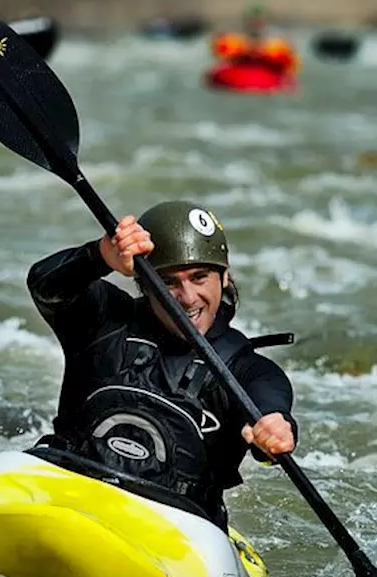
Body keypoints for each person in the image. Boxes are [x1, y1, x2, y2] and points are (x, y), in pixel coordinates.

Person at [25, 200, 298, 528]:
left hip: (173, 526)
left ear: (224, 277)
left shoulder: (247, 370)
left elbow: (270, 401)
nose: (187, 297)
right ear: (143, 281)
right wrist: (99, 255)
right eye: (168, 281)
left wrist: (275, 429)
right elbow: (45, 284)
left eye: (199, 277)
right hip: (70, 494)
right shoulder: (103, 323)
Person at [210, 4, 300, 76]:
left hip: (268, 72)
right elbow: (219, 53)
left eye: (259, 20)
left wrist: (262, 51)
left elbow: (290, 60)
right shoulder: (235, 38)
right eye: (252, 20)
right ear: (246, 21)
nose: (255, 23)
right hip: (240, 72)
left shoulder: (277, 39)